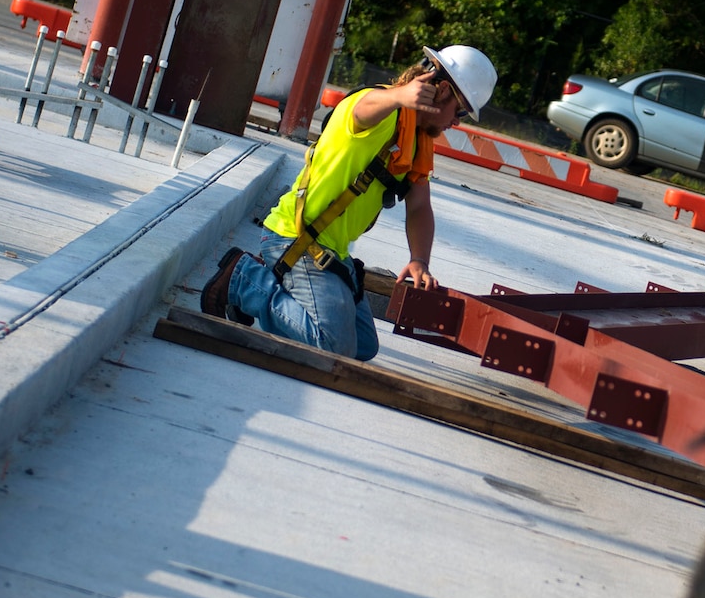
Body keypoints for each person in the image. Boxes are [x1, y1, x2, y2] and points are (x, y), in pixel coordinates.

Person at [200, 44, 497, 361]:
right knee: (333, 347)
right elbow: (361, 109)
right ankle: (245, 279)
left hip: (333, 253)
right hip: (297, 239)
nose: (458, 122)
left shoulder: (416, 137)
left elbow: (420, 206)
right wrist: (399, 97)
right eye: (462, 111)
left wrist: (419, 259)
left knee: (364, 348)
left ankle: (275, 285)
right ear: (442, 91)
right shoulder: (381, 109)